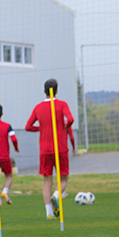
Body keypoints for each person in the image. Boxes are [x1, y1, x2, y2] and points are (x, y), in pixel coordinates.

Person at [26, 79, 75, 220]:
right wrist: (65, 126)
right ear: (57, 91)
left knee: (47, 181)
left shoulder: (38, 108)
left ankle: (49, 212)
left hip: (45, 149)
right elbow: (71, 119)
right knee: (63, 177)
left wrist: (41, 128)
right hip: (60, 148)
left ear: (44, 91)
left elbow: (28, 127)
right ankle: (56, 195)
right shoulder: (62, 104)